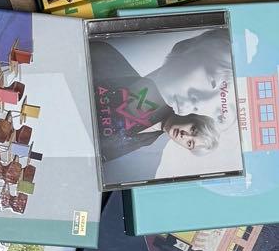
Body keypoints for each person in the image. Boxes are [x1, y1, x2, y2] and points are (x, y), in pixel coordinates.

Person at [89, 37, 221, 166]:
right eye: (193, 129)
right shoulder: (153, 94)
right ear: (192, 116)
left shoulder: (150, 140)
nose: (184, 135)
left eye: (190, 143)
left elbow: (103, 155)